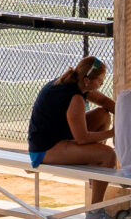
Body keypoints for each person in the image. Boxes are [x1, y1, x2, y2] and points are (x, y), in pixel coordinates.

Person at [26, 55, 116, 203]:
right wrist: (112, 133)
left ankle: (94, 166)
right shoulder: (75, 98)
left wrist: (126, 117)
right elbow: (82, 138)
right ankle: (96, 210)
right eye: (100, 80)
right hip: (44, 149)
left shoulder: (76, 83)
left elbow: (103, 101)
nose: (102, 83)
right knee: (108, 155)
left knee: (102, 115)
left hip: (58, 137)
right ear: (88, 80)